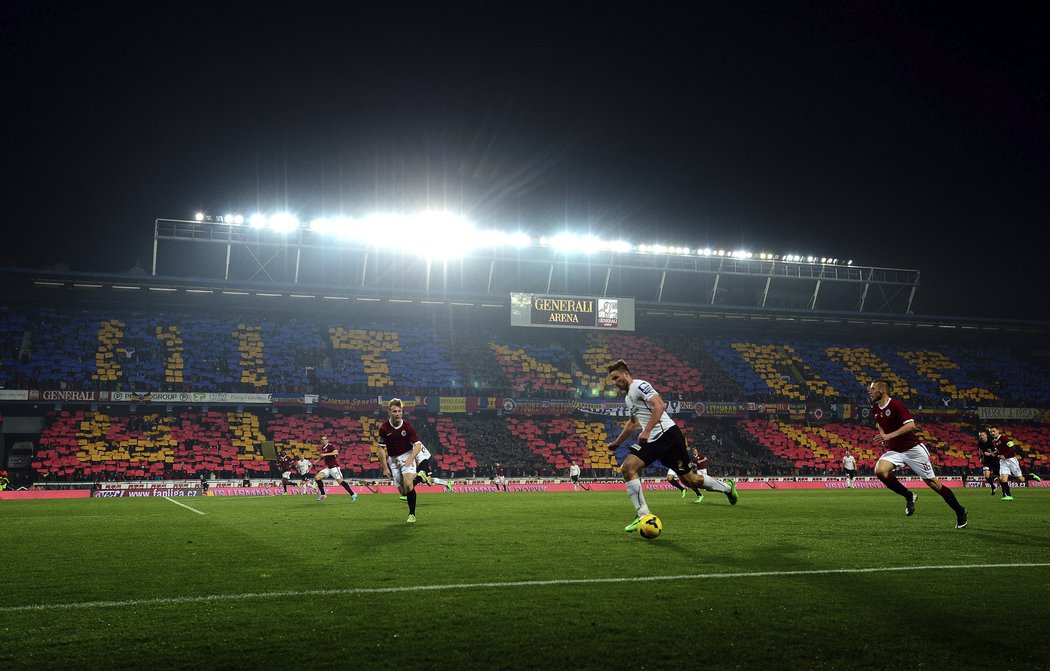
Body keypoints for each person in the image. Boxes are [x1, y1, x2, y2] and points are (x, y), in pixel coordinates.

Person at [605, 359, 737, 532]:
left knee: (691, 480)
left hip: (668, 435)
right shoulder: (628, 398)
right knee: (628, 468)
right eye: (612, 380)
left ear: (626, 374)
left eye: (616, 377)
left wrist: (646, 431)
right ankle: (643, 514)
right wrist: (617, 442)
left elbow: (660, 405)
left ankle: (727, 488)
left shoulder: (640, 386)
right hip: (653, 440)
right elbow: (632, 423)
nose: (615, 382)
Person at [868, 378, 967, 528]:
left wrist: (888, 436)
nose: (870, 391)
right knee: (880, 471)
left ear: (882, 390)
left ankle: (960, 511)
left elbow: (911, 425)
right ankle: (909, 496)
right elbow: (879, 424)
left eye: (873, 388)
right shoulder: (875, 408)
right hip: (895, 450)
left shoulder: (895, 405)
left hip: (913, 449)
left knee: (934, 484)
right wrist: (884, 436)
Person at [376, 399, 423, 523]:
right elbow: (380, 448)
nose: (397, 413)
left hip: (407, 455)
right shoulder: (384, 428)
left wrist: (411, 458)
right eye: (394, 411)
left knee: (408, 484)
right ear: (389, 412)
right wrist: (385, 467)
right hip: (393, 459)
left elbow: (418, 445)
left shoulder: (407, 426)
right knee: (403, 491)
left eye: (399, 411)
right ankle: (421, 478)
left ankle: (412, 514)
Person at [314, 435, 358, 503]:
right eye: (322, 439)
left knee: (340, 481)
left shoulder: (330, 446)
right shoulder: (323, 447)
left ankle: (353, 494)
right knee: (317, 477)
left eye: (325, 439)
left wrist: (325, 454)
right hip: (328, 468)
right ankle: (323, 494)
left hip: (334, 467)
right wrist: (317, 460)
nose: (323, 441)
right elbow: (323, 456)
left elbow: (336, 452)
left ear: (327, 440)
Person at [976, 429, 998, 495]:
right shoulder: (979, 443)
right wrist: (981, 457)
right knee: (986, 476)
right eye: (980, 436)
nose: (981, 437)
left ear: (986, 435)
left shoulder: (992, 441)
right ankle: (993, 486)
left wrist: (990, 453)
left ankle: (1005, 492)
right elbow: (980, 451)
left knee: (1001, 477)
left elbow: (997, 450)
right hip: (987, 461)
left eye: (983, 435)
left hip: (995, 460)